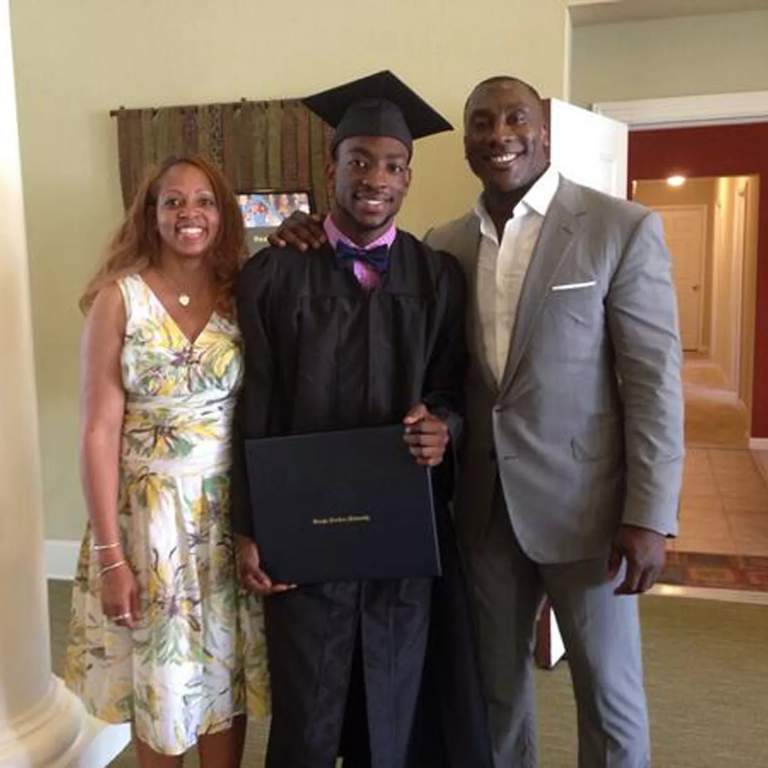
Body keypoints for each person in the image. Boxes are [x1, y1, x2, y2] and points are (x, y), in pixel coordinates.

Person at [270, 75, 685, 768]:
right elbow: (442, 379)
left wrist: (651, 513)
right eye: (483, 123)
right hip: (483, 517)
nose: (500, 135)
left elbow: (652, 383)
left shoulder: (620, 228)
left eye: (516, 119)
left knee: (609, 700)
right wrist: (302, 230)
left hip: (588, 514)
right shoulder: (443, 248)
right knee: (493, 699)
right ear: (465, 143)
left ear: (544, 130)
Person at [230, 71, 491, 768]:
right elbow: (250, 407)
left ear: (408, 178)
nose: (375, 177)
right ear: (331, 169)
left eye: (393, 165)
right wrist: (248, 527)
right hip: (303, 537)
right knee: (309, 706)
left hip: (401, 535)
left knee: (395, 698)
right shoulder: (275, 276)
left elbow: (451, 388)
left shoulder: (435, 277)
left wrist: (444, 426)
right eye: (359, 161)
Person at [65, 155, 269, 767]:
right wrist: (110, 557)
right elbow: (98, 430)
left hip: (225, 519)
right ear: (150, 216)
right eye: (173, 202)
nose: (189, 214)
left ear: (222, 214)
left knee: (220, 679)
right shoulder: (119, 299)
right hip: (147, 526)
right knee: (162, 685)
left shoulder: (243, 293)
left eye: (203, 201)